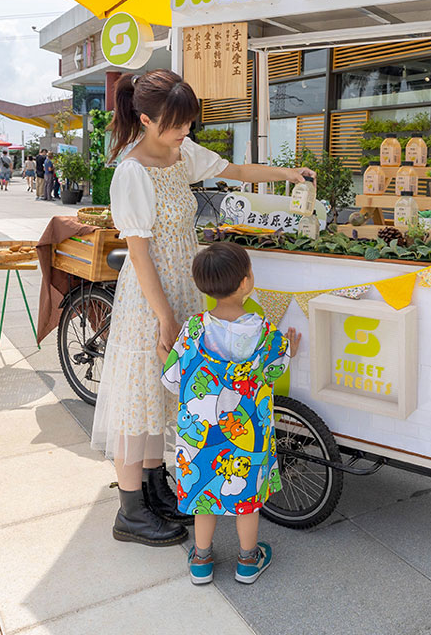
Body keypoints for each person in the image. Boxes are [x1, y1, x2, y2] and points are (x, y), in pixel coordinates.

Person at [92, 69, 313, 547]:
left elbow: (234, 172)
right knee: (139, 399)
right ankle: (129, 511)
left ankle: (155, 491)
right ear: (146, 119)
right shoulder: (131, 172)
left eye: (189, 122)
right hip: (149, 297)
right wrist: (165, 317)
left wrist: (288, 174)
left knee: (167, 395)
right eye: (175, 125)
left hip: (182, 284)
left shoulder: (181, 153)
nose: (184, 132)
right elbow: (140, 253)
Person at [162, 242, 299, 584]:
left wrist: (160, 351)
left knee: (203, 500)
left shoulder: (192, 331)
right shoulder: (265, 334)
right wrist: (290, 350)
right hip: (246, 439)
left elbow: (172, 379)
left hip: (200, 440)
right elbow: (273, 371)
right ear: (246, 282)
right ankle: (248, 562)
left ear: (201, 285)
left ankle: (201, 561)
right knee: (246, 503)